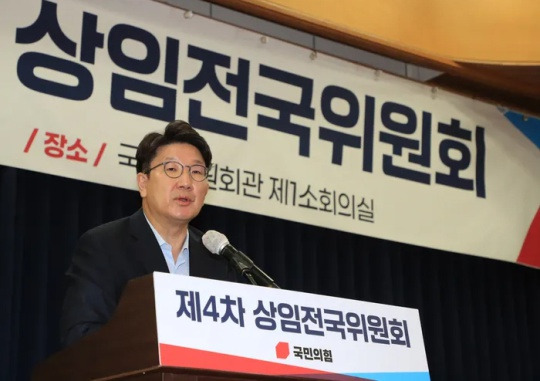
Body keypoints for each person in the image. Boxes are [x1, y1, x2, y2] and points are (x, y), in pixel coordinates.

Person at [60, 120, 238, 347]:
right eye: (172, 169)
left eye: (196, 172)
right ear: (143, 183)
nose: (186, 182)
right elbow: (81, 335)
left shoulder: (218, 259)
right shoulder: (103, 246)